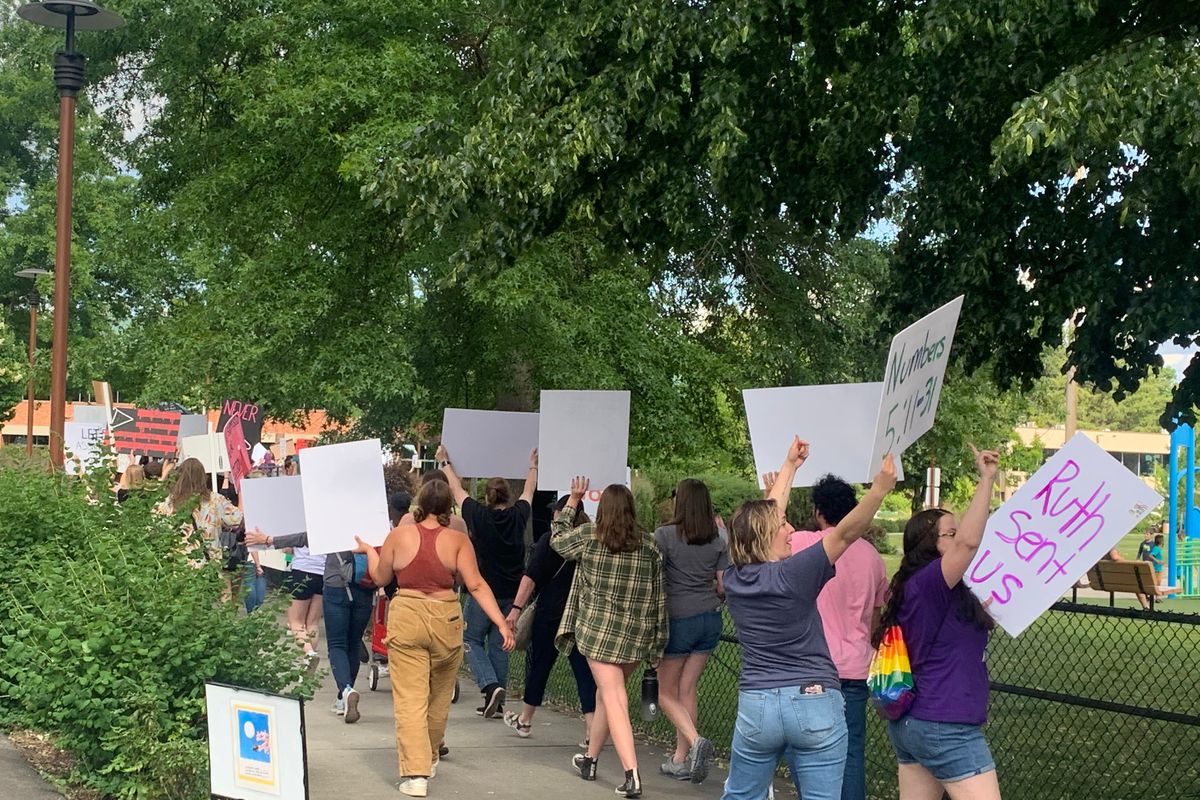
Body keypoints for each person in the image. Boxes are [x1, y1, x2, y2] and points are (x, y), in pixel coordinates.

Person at [721, 438, 894, 800]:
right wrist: (877, 492)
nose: (789, 530)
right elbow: (846, 533)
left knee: (741, 795)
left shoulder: (735, 578)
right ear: (767, 534)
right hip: (814, 700)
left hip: (758, 706)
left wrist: (790, 466)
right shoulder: (796, 573)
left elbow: (768, 516)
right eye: (782, 525)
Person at [355, 479, 514, 798]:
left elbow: (381, 578)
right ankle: (428, 756)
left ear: (420, 504)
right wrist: (502, 624)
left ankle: (415, 774)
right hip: (446, 616)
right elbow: (478, 586)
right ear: (448, 509)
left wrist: (367, 553)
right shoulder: (458, 541)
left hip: (407, 616)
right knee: (439, 695)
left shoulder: (399, 536)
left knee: (410, 698)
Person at [874, 445, 1001, 800]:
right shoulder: (930, 582)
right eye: (949, 533)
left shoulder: (932, 589)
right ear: (929, 543)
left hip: (916, 723)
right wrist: (986, 479)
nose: (957, 536)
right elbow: (970, 542)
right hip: (947, 726)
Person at [554, 477, 667, 799]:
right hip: (636, 636)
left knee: (613, 697)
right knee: (608, 696)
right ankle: (590, 760)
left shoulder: (589, 536)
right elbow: (660, 599)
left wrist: (573, 500)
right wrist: (658, 643)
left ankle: (631, 774)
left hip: (598, 633)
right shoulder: (650, 546)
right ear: (631, 510)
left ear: (601, 509)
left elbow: (557, 540)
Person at [787, 474, 889, 800]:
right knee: (851, 752)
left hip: (813, 665)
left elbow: (768, 536)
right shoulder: (872, 556)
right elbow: (876, 612)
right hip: (856, 667)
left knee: (804, 748)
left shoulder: (805, 543)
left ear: (818, 512)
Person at [438, 445, 537, 718]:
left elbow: (457, 490)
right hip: (512, 593)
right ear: (509, 495)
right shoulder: (519, 516)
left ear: (487, 497)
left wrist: (445, 461)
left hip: (483, 592)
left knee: (470, 638)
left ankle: (490, 685)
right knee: (499, 643)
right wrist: (533, 466)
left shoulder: (478, 516)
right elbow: (529, 492)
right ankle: (498, 699)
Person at [502, 496, 598, 745]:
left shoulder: (549, 542)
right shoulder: (589, 541)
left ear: (562, 513)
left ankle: (525, 719)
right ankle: (591, 731)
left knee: (540, 666)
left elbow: (530, 577)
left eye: (556, 511)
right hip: (579, 614)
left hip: (549, 613)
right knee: (584, 672)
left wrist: (515, 609)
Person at [653, 478, 726, 784]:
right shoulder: (719, 538)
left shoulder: (664, 536)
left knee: (665, 692)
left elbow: (655, 578)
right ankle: (681, 760)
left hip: (678, 619)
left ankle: (696, 742)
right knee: (688, 689)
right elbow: (724, 586)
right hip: (709, 618)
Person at [156, 457, 242, 565]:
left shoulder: (168, 503)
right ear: (203, 478)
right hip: (207, 568)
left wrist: (164, 475)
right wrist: (241, 493)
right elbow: (237, 520)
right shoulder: (215, 500)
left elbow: (153, 528)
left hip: (177, 568)